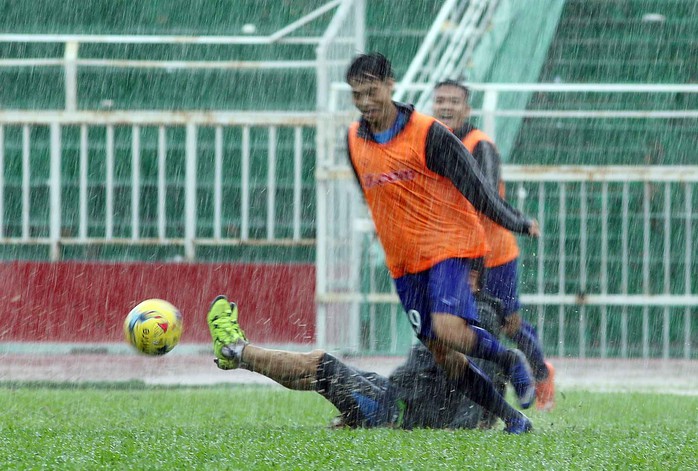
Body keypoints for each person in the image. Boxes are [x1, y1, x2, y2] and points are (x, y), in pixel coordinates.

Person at [336, 52, 539, 432]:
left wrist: (516, 221)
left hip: (449, 246)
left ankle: (512, 362)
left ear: (391, 84)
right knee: (445, 355)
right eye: (356, 94)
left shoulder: (427, 133)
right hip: (404, 263)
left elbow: (478, 189)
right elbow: (371, 196)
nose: (365, 102)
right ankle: (514, 419)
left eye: (372, 91)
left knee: (448, 328)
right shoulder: (352, 139)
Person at [206, 294, 512, 431]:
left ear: (470, 277)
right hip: (392, 398)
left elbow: (479, 407)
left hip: (396, 414)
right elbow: (415, 375)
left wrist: (395, 425)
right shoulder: (447, 315)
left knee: (321, 367)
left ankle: (236, 350)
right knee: (319, 371)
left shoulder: (477, 321)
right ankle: (239, 356)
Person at [432, 80, 556, 411]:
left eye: (453, 101)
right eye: (440, 100)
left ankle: (542, 375)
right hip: (457, 252)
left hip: (494, 253)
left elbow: (483, 200)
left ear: (466, 108)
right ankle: (478, 394)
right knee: (460, 324)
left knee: (509, 324)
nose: (446, 106)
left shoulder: (480, 146)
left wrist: (479, 260)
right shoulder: (431, 144)